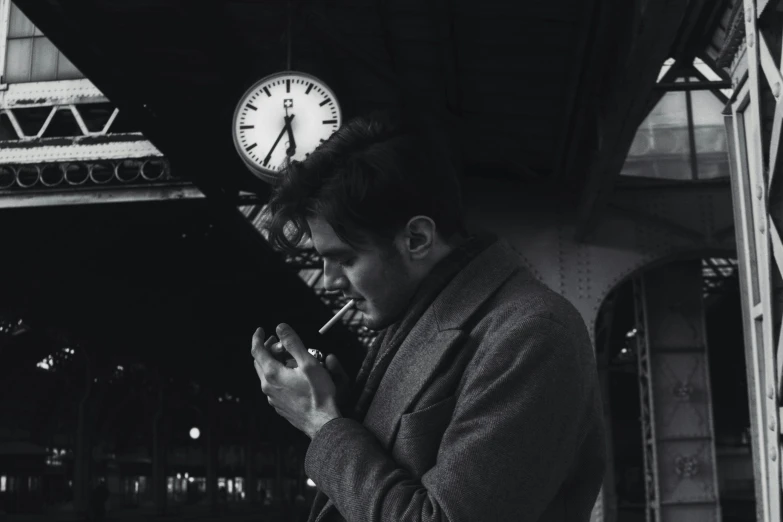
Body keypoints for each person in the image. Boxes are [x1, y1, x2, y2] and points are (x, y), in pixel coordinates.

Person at [251, 112, 606, 522]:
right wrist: (347, 410)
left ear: (416, 238)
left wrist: (321, 421)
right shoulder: (412, 314)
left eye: (345, 259)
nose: (330, 281)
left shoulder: (533, 335)